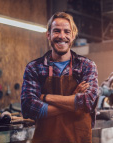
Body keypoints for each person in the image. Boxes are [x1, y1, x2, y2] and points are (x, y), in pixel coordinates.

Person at [21, 12, 98, 143]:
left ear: (73, 35)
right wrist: (73, 99)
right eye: (56, 31)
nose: (62, 36)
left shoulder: (86, 66)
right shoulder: (34, 67)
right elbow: (29, 108)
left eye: (67, 32)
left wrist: (46, 97)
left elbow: (88, 101)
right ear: (48, 35)